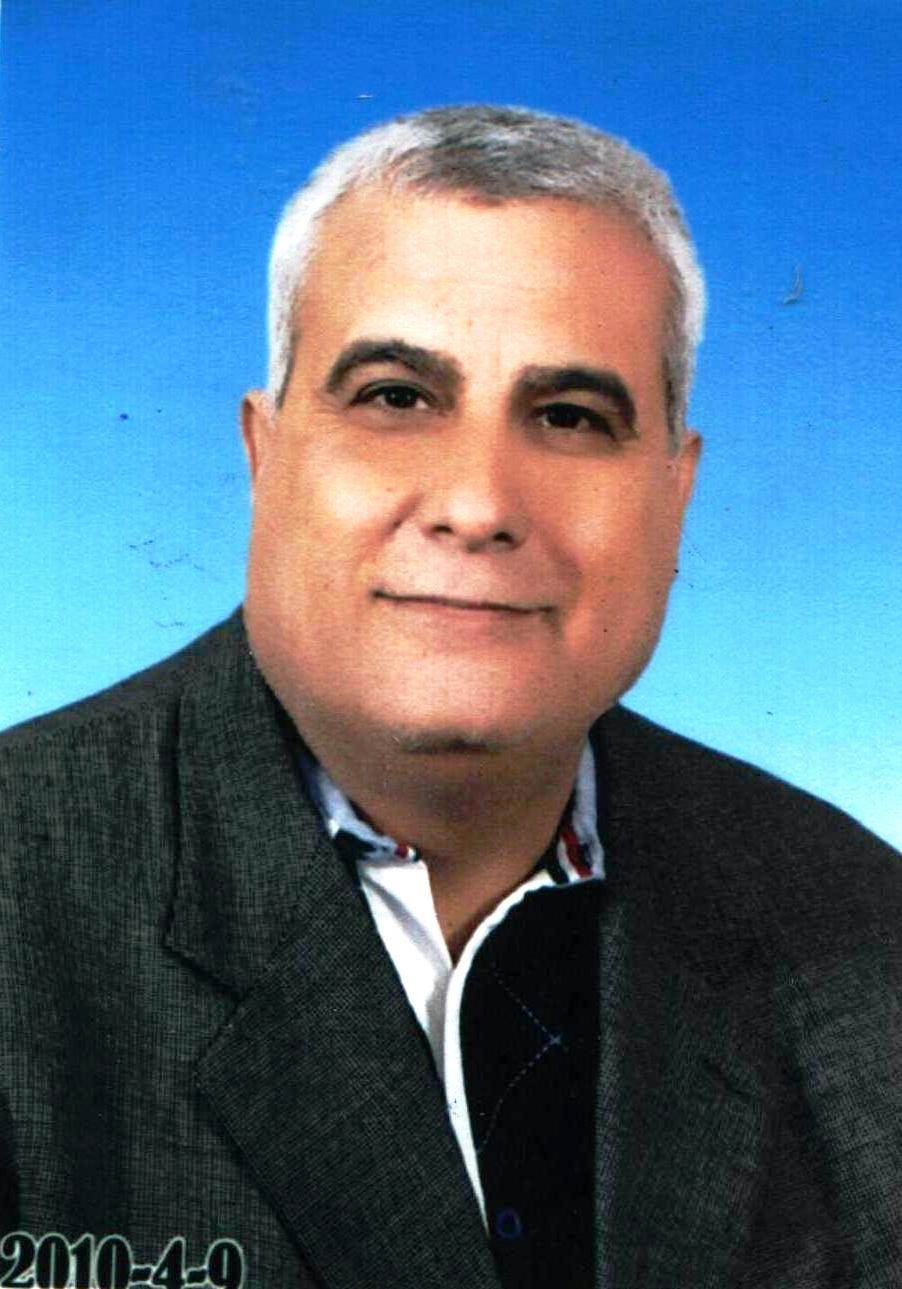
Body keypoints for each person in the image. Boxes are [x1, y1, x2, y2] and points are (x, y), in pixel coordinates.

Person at [0, 105, 899, 1289]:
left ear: (673, 493)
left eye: (568, 416)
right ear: (265, 456)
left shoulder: (859, 933)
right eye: (394, 397)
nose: (477, 502)